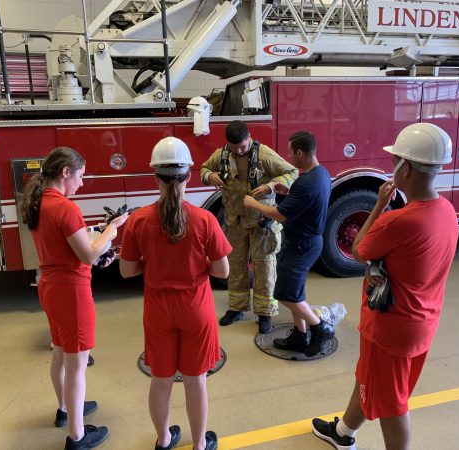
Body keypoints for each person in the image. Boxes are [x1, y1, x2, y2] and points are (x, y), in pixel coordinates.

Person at [311, 123, 459, 450]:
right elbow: (413, 261)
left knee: (392, 404)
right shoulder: (446, 211)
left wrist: (379, 205)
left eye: (395, 161)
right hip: (422, 323)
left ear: (406, 169)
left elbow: (358, 249)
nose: (392, 167)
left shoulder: (400, 220)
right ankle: (343, 432)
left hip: (390, 329)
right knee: (370, 380)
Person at [120, 137, 231, 450]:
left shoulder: (138, 221)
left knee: (161, 381)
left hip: (158, 309)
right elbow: (222, 272)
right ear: (189, 176)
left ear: (155, 177)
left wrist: (154, 265)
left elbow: (127, 271)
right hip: (196, 308)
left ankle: (164, 439)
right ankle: (199, 444)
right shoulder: (205, 220)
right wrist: (196, 266)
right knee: (196, 381)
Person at [21, 147, 128, 450]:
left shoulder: (40, 203)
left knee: (60, 353)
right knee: (77, 364)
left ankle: (66, 409)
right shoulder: (65, 208)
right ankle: (77, 436)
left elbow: (69, 244)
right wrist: (111, 229)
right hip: (71, 291)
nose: (81, 183)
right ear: (65, 172)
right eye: (80, 176)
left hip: (50, 286)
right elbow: (88, 254)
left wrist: (98, 236)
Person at [200, 120, 298, 333]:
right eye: (234, 148)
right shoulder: (222, 154)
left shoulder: (264, 155)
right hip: (234, 222)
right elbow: (204, 168)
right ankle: (237, 308)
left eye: (242, 147)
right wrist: (210, 175)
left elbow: (292, 172)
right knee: (235, 265)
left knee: (265, 266)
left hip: (261, 223)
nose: (238, 151)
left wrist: (270, 186)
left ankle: (265, 313)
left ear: (249, 138)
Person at [243, 131, 335, 356]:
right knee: (296, 293)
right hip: (306, 242)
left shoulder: (306, 183)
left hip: (301, 246)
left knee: (284, 294)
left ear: (300, 153)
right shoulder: (321, 174)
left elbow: (280, 215)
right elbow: (303, 204)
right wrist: (287, 193)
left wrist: (253, 204)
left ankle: (320, 328)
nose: (288, 156)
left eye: (290, 152)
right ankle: (300, 336)